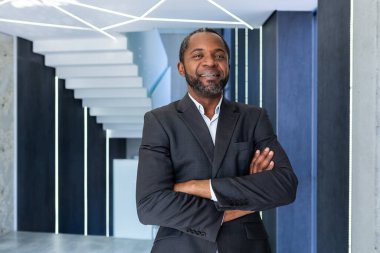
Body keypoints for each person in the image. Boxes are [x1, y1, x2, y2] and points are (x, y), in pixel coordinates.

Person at [136, 28, 298, 253]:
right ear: (181, 68)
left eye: (219, 55)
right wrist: (245, 201)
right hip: (179, 247)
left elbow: (285, 185)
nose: (210, 62)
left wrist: (198, 186)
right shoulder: (160, 121)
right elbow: (150, 206)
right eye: (198, 55)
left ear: (228, 66)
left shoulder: (253, 117)